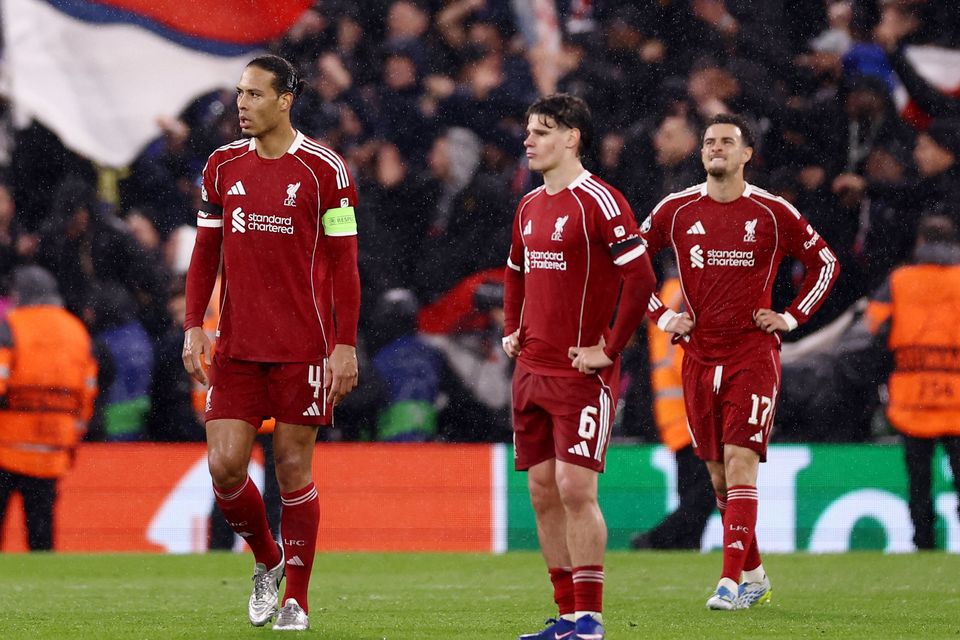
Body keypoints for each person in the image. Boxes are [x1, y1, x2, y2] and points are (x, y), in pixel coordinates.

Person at [182, 54, 360, 632]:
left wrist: (344, 344)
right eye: (239, 93)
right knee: (225, 465)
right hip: (236, 345)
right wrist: (192, 325)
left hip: (303, 348)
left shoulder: (324, 171)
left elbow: (346, 264)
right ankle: (267, 559)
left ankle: (297, 600)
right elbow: (205, 254)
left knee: (291, 469)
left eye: (255, 95)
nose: (242, 104)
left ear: (285, 100)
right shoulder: (221, 167)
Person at [633, 113, 840, 609]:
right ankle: (756, 576)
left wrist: (791, 318)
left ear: (747, 154)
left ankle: (727, 583)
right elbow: (629, 263)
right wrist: (663, 317)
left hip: (752, 353)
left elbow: (825, 263)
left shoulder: (771, 212)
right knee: (720, 478)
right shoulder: (676, 210)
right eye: (709, 142)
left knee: (740, 462)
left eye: (727, 141)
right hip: (699, 356)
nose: (715, 148)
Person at [503, 94, 657, 640]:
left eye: (542, 131)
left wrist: (609, 350)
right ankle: (566, 614)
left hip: (580, 372)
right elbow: (516, 271)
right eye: (528, 130)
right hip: (532, 369)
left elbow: (640, 281)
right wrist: (511, 326)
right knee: (543, 490)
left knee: (575, 488)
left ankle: (589, 619)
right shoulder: (528, 205)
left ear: (572, 138)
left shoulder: (601, 201)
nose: (529, 140)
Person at [865, 215, 960, 550]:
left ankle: (924, 544)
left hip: (912, 400)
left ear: (920, 242)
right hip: (957, 403)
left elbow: (873, 327)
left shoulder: (899, 280)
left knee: (920, 483)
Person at [0, 266, 98, 550]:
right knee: (41, 534)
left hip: (6, 445)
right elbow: (88, 391)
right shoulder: (76, 330)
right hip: (52, 447)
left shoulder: (11, 325)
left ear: (20, 294)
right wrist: (73, 435)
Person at [630, 262, 715, 550]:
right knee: (709, 489)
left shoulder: (667, 294)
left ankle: (684, 546)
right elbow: (687, 359)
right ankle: (656, 540)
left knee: (694, 489)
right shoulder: (686, 296)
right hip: (692, 409)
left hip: (672, 411)